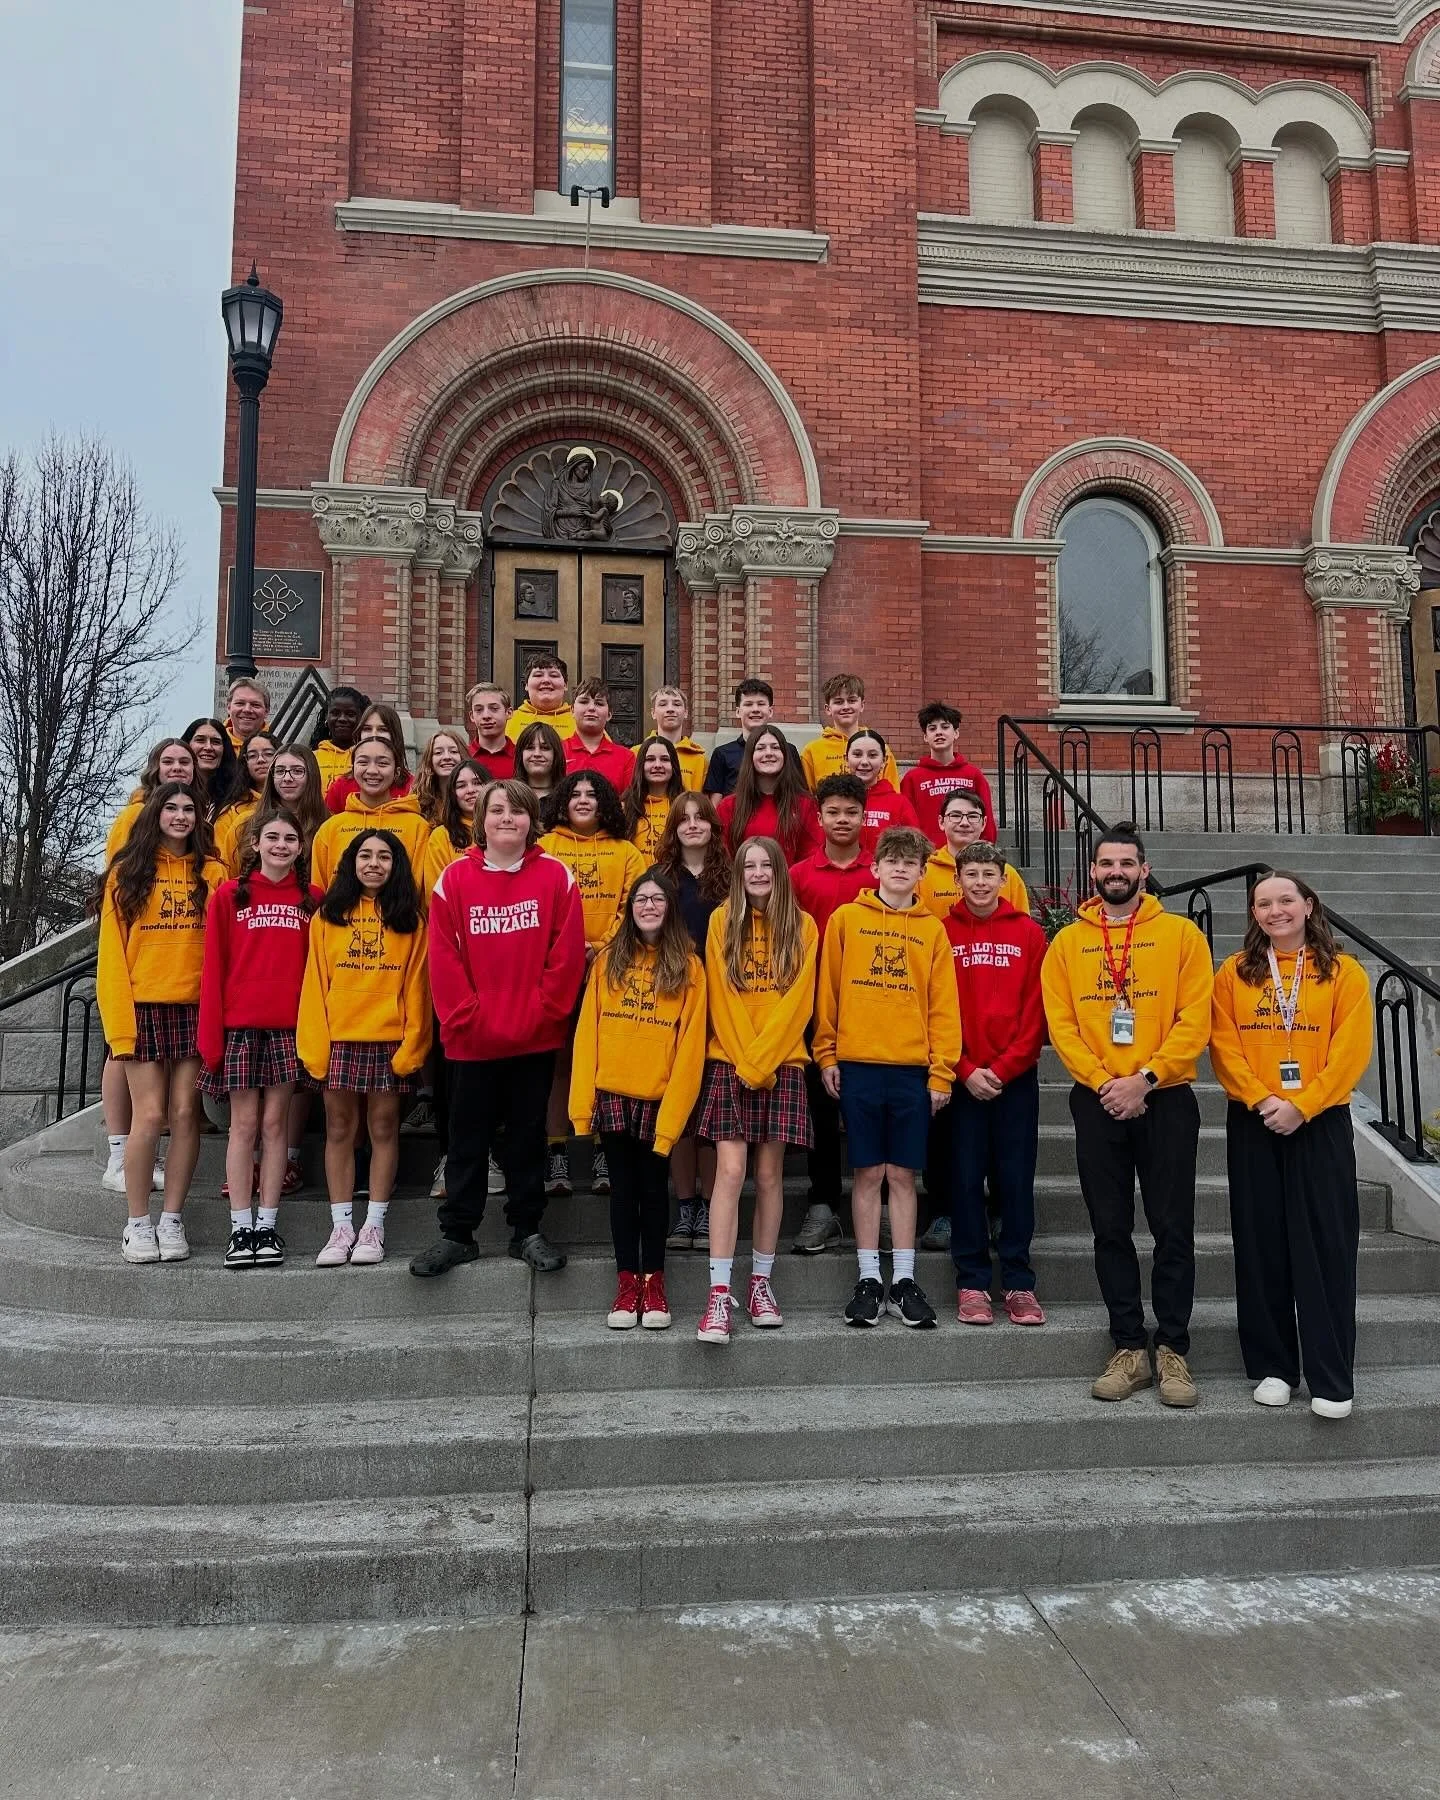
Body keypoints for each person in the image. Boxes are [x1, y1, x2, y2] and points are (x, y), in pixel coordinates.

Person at [1041, 824, 1214, 1408]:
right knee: (1109, 1226)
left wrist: (1144, 1080)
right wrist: (1105, 1083)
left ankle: (1173, 1348)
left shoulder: (1182, 935)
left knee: (1172, 1226)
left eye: (1127, 863)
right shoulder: (1067, 943)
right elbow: (1061, 1024)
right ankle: (1127, 1346)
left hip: (1164, 1097)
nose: (1117, 872)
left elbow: (1195, 1019)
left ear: (1145, 870)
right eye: (1106, 863)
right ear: (1092, 872)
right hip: (1097, 1099)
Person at [1210, 872, 1374, 1421]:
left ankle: (1331, 1375)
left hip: (1320, 1120)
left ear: (1308, 905)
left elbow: (1350, 1050)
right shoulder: (1234, 973)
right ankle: (1276, 1367)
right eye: (1263, 903)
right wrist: (1262, 1100)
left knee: (1326, 1244)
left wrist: (1303, 1104)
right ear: (1253, 913)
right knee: (1261, 1244)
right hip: (1254, 1118)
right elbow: (1225, 1046)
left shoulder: (1344, 973)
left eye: (1286, 900)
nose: (1275, 910)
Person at [411, 779, 587, 1277]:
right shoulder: (453, 880)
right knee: (466, 1140)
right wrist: (469, 1018)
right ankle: (458, 1234)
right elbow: (442, 960)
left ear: (532, 821)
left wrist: (542, 1012)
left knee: (528, 1138)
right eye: (497, 811)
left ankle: (526, 1230)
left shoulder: (557, 877)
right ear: (480, 820)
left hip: (533, 1037)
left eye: (517, 811)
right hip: (470, 1042)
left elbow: (566, 955)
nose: (507, 818)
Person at [814, 826, 961, 1329]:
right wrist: (826, 1053)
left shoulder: (932, 930)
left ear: (923, 873)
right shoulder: (846, 920)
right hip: (857, 1063)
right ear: (874, 869)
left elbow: (944, 1007)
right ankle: (868, 1278)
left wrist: (942, 1072)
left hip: (911, 1069)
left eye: (910, 863)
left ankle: (903, 1279)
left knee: (902, 1175)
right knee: (867, 1174)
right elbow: (827, 991)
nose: (900, 869)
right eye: (891, 862)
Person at [570, 870, 708, 1329]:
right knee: (622, 1193)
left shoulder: (689, 967)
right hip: (613, 1093)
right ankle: (627, 1283)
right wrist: (580, 1107)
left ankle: (656, 1283)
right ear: (629, 910)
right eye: (640, 900)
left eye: (657, 900)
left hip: (658, 1099)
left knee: (654, 1191)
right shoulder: (608, 961)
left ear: (670, 909)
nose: (648, 906)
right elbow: (587, 1033)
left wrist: (672, 1120)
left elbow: (690, 1048)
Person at [695, 839, 819, 1345]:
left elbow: (800, 1003)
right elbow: (720, 998)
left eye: (767, 864)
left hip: (782, 1061)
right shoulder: (722, 921)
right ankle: (718, 1295)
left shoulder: (804, 926)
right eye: (750, 865)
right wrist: (746, 1061)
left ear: (780, 871)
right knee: (729, 1172)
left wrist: (763, 1060)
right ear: (738, 873)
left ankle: (761, 1284)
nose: (759, 872)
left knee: (769, 1176)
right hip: (731, 1060)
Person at [96, 783, 225, 1263]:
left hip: (195, 1007)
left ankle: (172, 1219)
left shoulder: (213, 874)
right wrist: (119, 1025)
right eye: (170, 807)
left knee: (187, 1115)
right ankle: (137, 1223)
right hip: (144, 1006)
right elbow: (111, 958)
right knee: (149, 1117)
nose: (180, 815)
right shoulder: (128, 874)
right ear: (155, 813)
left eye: (189, 808)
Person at [298, 830, 431, 1267]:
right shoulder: (327, 917)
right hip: (339, 1037)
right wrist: (316, 1045)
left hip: (389, 1039)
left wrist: (413, 1044)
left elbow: (417, 987)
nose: (374, 864)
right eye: (365, 856)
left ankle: (374, 1224)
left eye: (385, 857)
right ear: (351, 863)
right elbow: (315, 985)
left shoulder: (410, 919)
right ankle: (341, 1227)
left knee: (384, 1129)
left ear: (397, 865)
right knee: (339, 1128)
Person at [198, 809, 323, 1269]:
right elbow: (214, 969)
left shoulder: (313, 899)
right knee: (242, 1129)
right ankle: (240, 1228)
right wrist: (211, 1040)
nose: (281, 845)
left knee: (276, 1129)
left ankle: (267, 1225)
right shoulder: (230, 896)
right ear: (255, 844)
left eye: (290, 838)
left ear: (300, 846)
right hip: (241, 1030)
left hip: (290, 1029)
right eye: (272, 837)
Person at [944, 843, 1048, 1326]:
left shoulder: (1028, 933)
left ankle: (1018, 1282)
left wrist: (1004, 1069)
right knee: (963, 1181)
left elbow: (1036, 1013)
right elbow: (934, 1010)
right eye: (972, 874)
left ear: (1004, 880)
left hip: (1015, 1081)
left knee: (1014, 1181)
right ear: (958, 879)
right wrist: (964, 1069)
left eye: (989, 874)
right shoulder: (941, 931)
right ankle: (970, 1280)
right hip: (962, 1079)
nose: (981, 882)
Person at [540, 771, 647, 1196]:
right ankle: (556, 1151)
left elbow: (635, 903)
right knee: (559, 1063)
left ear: (606, 803)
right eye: (575, 794)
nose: (583, 800)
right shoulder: (545, 848)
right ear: (562, 801)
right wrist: (566, 949)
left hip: (611, 968)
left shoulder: (626, 852)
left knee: (603, 1062)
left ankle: (603, 1147)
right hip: (556, 970)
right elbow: (539, 902)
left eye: (593, 794)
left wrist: (600, 945)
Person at [789, 773, 877, 1255]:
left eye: (851, 812)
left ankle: (875, 1204)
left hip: (871, 1006)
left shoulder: (879, 875)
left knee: (866, 1107)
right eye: (834, 812)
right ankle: (823, 1205)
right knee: (821, 1108)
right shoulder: (800, 875)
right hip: (813, 1008)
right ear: (819, 818)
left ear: (865, 818)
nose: (843, 820)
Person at [654, 792, 731, 1249]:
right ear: (674, 829)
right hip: (674, 998)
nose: (693, 826)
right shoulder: (661, 877)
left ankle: (708, 1202)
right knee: (678, 1105)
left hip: (720, 1002)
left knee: (709, 1110)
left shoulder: (728, 878)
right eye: (683, 820)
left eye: (701, 818)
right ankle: (685, 1204)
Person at [419, 759, 489, 1204]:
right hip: (460, 963)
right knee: (454, 1070)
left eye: (476, 782)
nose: (467, 790)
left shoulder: (509, 829)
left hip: (504, 970)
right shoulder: (443, 838)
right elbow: (439, 897)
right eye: (459, 784)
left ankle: (494, 1156)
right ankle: (450, 1155)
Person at [311, 736, 431, 891]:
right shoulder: (330, 829)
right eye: (363, 762)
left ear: (397, 772)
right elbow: (319, 893)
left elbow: (424, 896)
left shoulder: (418, 827)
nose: (372, 770)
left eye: (382, 763)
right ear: (353, 769)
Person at [717, 725, 822, 865]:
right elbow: (722, 855)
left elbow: (812, 855)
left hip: (791, 885)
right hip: (741, 885)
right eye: (760, 748)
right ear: (750, 756)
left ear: (785, 755)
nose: (768, 753)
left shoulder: (805, 804)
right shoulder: (728, 806)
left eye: (775, 747)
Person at [918, 790, 1029, 921]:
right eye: (955, 815)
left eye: (973, 816)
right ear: (941, 822)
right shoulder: (922, 874)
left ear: (984, 823)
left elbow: (1022, 926)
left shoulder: (1007, 874)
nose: (964, 822)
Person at [901, 702, 994, 846]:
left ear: (956, 733)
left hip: (968, 858)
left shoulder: (974, 775)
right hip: (928, 860)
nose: (939, 732)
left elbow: (986, 819)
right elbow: (906, 824)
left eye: (945, 727)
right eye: (932, 728)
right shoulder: (912, 778)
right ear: (925, 736)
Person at [703, 678, 803, 797]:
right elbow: (715, 805)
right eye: (748, 704)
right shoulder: (722, 754)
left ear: (770, 711)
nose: (755, 709)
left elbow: (800, 794)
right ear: (738, 712)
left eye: (761, 704)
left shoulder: (788, 751)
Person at [800, 674, 900, 791]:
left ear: (862, 705)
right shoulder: (812, 751)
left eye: (852, 700)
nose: (846, 706)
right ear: (828, 709)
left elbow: (893, 794)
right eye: (839, 702)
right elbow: (807, 798)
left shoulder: (880, 748)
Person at [105, 739, 199, 859]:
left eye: (184, 762)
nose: (177, 767)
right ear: (155, 767)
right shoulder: (134, 814)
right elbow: (116, 867)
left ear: (194, 768)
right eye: (168, 762)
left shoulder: (199, 812)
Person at [323, 703, 414, 813]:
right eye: (367, 729)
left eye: (382, 729)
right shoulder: (341, 786)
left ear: (395, 735)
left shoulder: (412, 786)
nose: (374, 734)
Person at [214, 731, 279, 876]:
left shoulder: (292, 803)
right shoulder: (231, 812)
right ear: (245, 762)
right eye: (253, 755)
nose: (261, 760)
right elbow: (221, 864)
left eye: (268, 754)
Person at [845, 728, 920, 854]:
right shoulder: (835, 800)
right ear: (846, 759)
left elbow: (914, 847)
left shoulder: (899, 803)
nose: (864, 762)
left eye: (872, 755)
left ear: (884, 761)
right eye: (857, 754)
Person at [564, 677, 637, 792]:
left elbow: (628, 804)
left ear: (609, 714)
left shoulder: (626, 758)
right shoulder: (558, 751)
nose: (591, 708)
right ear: (572, 710)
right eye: (584, 702)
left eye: (599, 703)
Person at [623, 736, 685, 861]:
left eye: (665, 759)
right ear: (641, 765)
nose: (658, 765)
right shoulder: (625, 807)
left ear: (674, 766)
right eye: (650, 759)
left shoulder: (685, 806)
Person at [310, 685, 369, 794]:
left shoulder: (369, 758)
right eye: (335, 713)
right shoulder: (311, 758)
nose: (342, 718)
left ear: (361, 718)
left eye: (350, 714)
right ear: (326, 717)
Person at [504, 655, 577, 742]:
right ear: (526, 685)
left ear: (565, 685)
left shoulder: (580, 721)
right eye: (538, 675)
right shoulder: (507, 720)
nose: (546, 680)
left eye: (553, 675)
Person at [650, 684, 706, 791]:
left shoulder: (700, 759)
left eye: (676, 704)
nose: (670, 709)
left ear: (685, 713)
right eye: (663, 704)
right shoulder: (636, 753)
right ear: (653, 713)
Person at [514, 719, 568, 829]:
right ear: (521, 754)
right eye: (530, 748)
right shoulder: (510, 796)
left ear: (556, 754)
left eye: (545, 748)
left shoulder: (568, 798)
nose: (537, 754)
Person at [182, 718, 241, 816]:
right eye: (200, 740)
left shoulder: (238, 796)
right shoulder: (165, 791)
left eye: (216, 742)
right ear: (187, 745)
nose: (208, 747)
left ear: (225, 749)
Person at [414, 729, 469, 826]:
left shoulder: (474, 798)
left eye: (453, 751)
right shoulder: (418, 802)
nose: (447, 757)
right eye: (438, 753)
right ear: (429, 760)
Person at [466, 682, 515, 781]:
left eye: (494, 709)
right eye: (479, 710)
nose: (486, 716)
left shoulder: (521, 757)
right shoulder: (463, 756)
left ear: (508, 713)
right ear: (472, 716)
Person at [224, 678, 270, 752]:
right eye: (240, 703)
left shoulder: (280, 744)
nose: (247, 710)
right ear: (229, 708)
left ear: (266, 711)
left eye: (255, 705)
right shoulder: (214, 745)